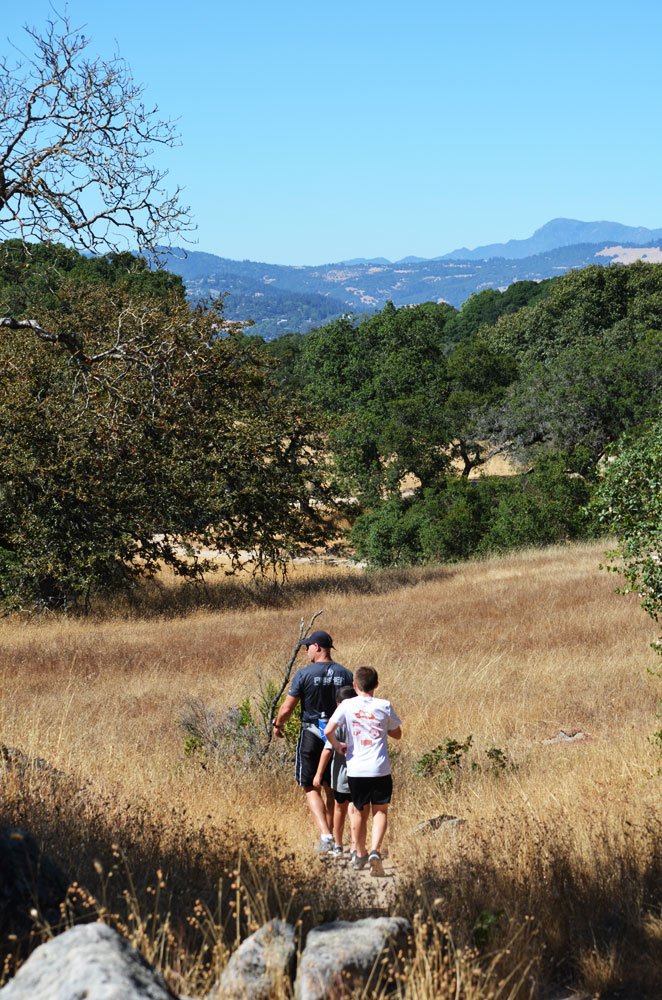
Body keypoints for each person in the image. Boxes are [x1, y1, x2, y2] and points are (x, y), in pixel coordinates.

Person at [272, 630, 353, 853]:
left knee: (309, 785)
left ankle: (326, 835)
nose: (306, 651)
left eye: (307, 647)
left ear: (317, 647)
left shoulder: (304, 674)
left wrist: (278, 724)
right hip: (337, 736)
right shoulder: (346, 674)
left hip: (310, 733)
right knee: (331, 787)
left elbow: (287, 708)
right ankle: (333, 839)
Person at [324, 665, 402, 876]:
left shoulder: (347, 705)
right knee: (380, 811)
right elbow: (397, 734)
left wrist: (338, 745)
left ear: (354, 685)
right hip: (380, 768)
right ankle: (375, 850)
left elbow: (328, 730)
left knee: (359, 811)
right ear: (376, 684)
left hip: (356, 769)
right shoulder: (384, 705)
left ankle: (360, 853)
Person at [312, 685, 357, 860]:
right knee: (355, 810)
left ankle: (338, 845)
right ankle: (355, 847)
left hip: (341, 776)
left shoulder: (338, 724)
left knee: (340, 809)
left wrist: (318, 774)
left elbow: (327, 750)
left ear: (338, 704)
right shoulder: (361, 720)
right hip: (361, 774)